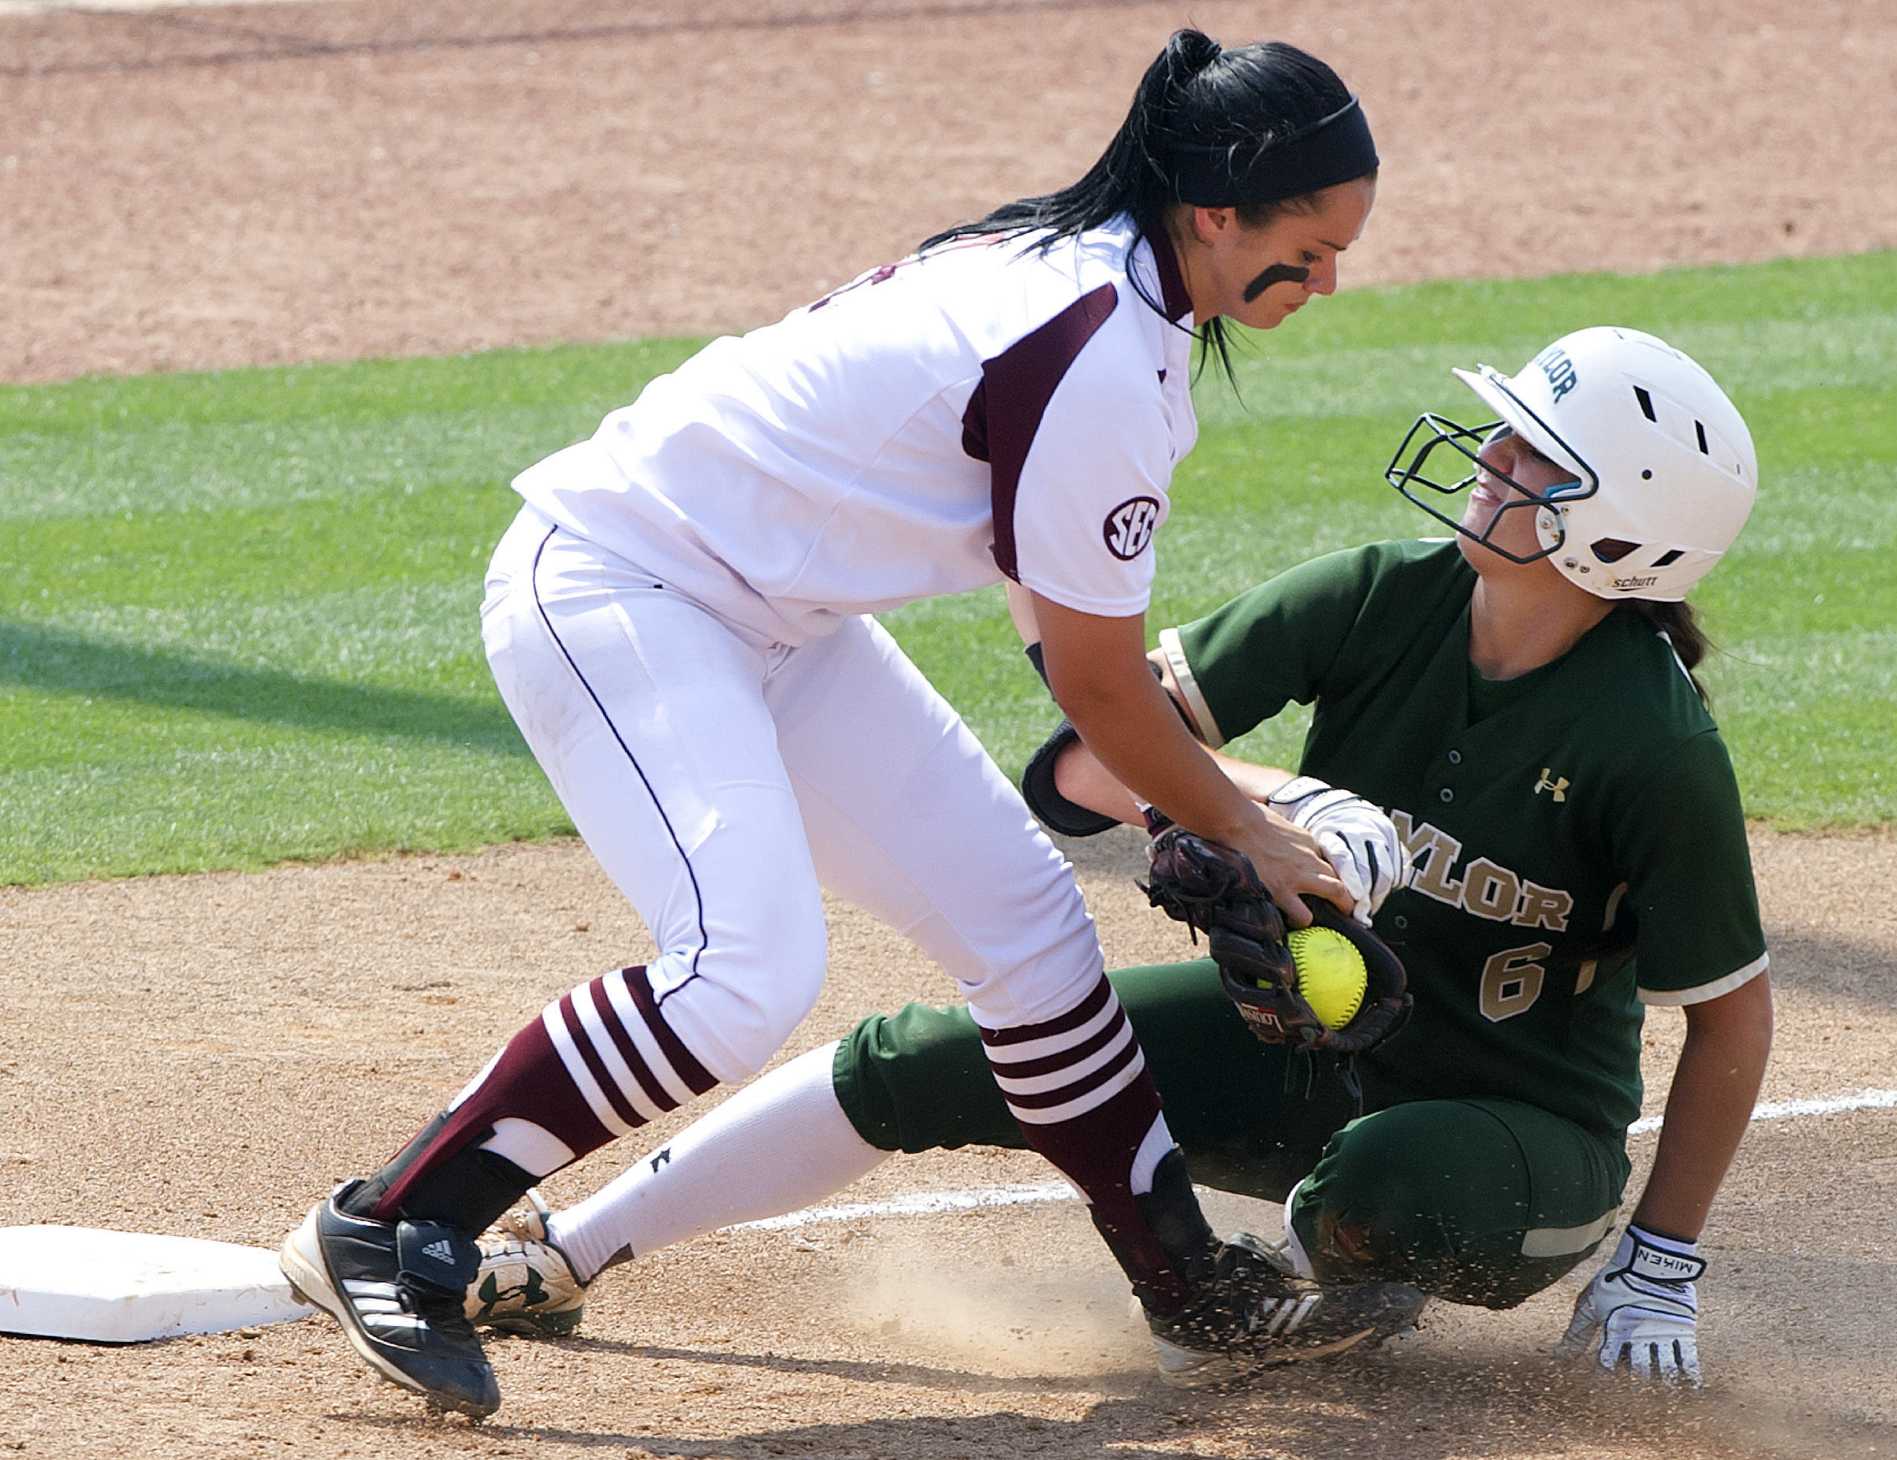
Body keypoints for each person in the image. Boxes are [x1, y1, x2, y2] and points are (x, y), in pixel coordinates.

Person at [279, 29, 1392, 1418]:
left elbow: (1055, 623)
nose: (1328, 278)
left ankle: (1187, 1283)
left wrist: (1186, 803)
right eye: (1313, 244)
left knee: (1029, 929)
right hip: (629, 586)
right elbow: (1101, 689)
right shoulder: (1100, 343)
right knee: (744, 973)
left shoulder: (1097, 289)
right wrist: (1241, 821)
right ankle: (391, 1219)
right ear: (1217, 211)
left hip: (773, 620)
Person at [462, 326, 1775, 1391]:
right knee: (939, 1058)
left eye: (1534, 459)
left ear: (1627, 533)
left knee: (1377, 1188)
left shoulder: (1649, 744)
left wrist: (1661, 1257)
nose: (1487, 460)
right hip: (1306, 1050)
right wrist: (1276, 800)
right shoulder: (1385, 595)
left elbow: (1730, 1017)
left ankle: (1349, 1276)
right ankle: (565, 1254)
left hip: (1519, 1138)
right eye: (1502, 434)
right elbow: (1084, 767)